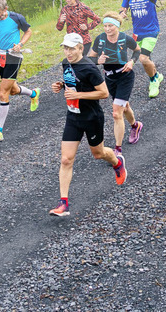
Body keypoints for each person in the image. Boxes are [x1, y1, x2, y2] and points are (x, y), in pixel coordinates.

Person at [48, 33, 126, 217]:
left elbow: (104, 93)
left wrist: (78, 96)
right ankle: (63, 203)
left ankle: (117, 162)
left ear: (80, 48)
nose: (68, 52)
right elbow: (74, 83)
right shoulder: (66, 63)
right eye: (65, 48)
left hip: (92, 117)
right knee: (66, 159)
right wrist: (61, 85)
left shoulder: (90, 68)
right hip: (73, 117)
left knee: (98, 154)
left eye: (72, 48)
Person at [0, 0, 39, 145]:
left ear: (5, 9)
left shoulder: (17, 18)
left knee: (3, 93)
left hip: (13, 55)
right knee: (12, 90)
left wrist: (21, 43)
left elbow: (28, 32)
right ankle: (33, 93)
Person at [89, 13, 142, 158]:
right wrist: (98, 61)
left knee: (116, 112)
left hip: (125, 76)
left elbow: (137, 50)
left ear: (117, 26)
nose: (107, 29)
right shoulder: (100, 39)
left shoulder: (125, 39)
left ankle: (117, 149)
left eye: (110, 26)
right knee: (124, 107)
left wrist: (132, 62)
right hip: (110, 78)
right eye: (105, 26)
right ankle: (135, 126)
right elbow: (90, 58)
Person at [119, 0, 166, 98]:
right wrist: (122, 14)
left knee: (143, 58)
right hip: (137, 33)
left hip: (151, 31)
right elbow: (123, 9)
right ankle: (157, 75)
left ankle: (153, 81)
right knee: (147, 60)